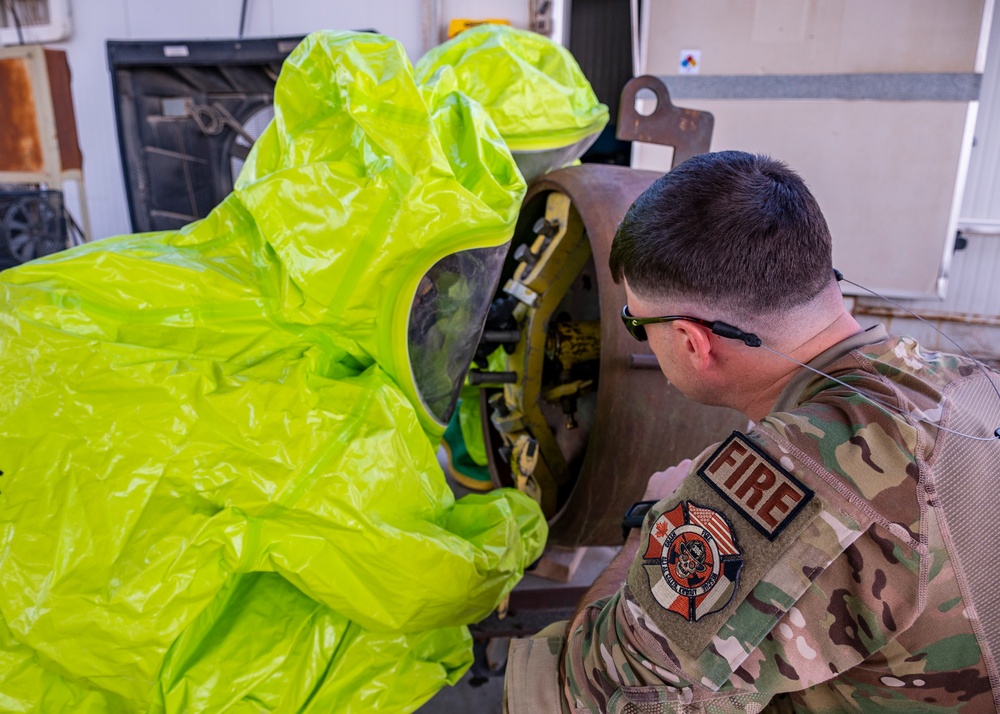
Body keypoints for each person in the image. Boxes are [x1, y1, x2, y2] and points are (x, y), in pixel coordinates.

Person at [504, 150, 1000, 712]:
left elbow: (590, 694)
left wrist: (652, 521)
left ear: (693, 341)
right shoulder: (968, 380)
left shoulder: (791, 477)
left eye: (635, 324)